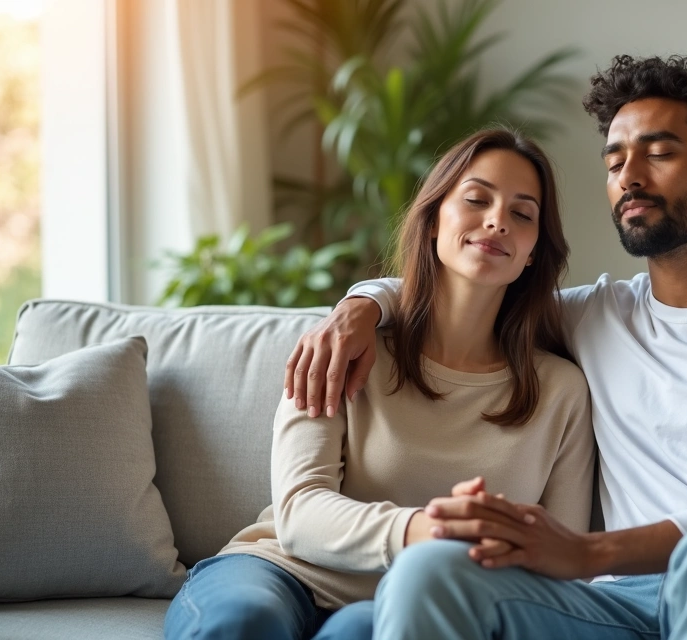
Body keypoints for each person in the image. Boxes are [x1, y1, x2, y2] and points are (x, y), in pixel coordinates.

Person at [288, 52, 687, 640]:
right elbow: (468, 289)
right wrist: (362, 306)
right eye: (615, 160)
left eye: (660, 153)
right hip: (624, 605)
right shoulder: (595, 315)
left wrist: (590, 553)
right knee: (431, 570)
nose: (630, 176)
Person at [163, 128, 595, 640]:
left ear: (531, 254)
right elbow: (300, 515)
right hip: (281, 570)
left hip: (417, 608)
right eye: (476, 199)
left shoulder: (561, 392)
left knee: (359, 631)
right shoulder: (345, 347)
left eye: (522, 214)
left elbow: (563, 565)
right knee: (241, 624)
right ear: (433, 221)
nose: (498, 220)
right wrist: (428, 531)